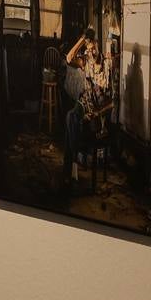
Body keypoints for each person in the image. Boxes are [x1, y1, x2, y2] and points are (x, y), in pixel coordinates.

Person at [62, 27, 114, 183]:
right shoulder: (86, 61)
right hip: (84, 103)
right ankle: (73, 163)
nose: (91, 52)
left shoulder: (106, 66)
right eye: (89, 50)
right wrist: (82, 40)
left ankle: (72, 165)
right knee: (71, 116)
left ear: (98, 46)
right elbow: (69, 59)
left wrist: (97, 113)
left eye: (93, 49)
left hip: (97, 112)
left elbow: (112, 103)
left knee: (71, 124)